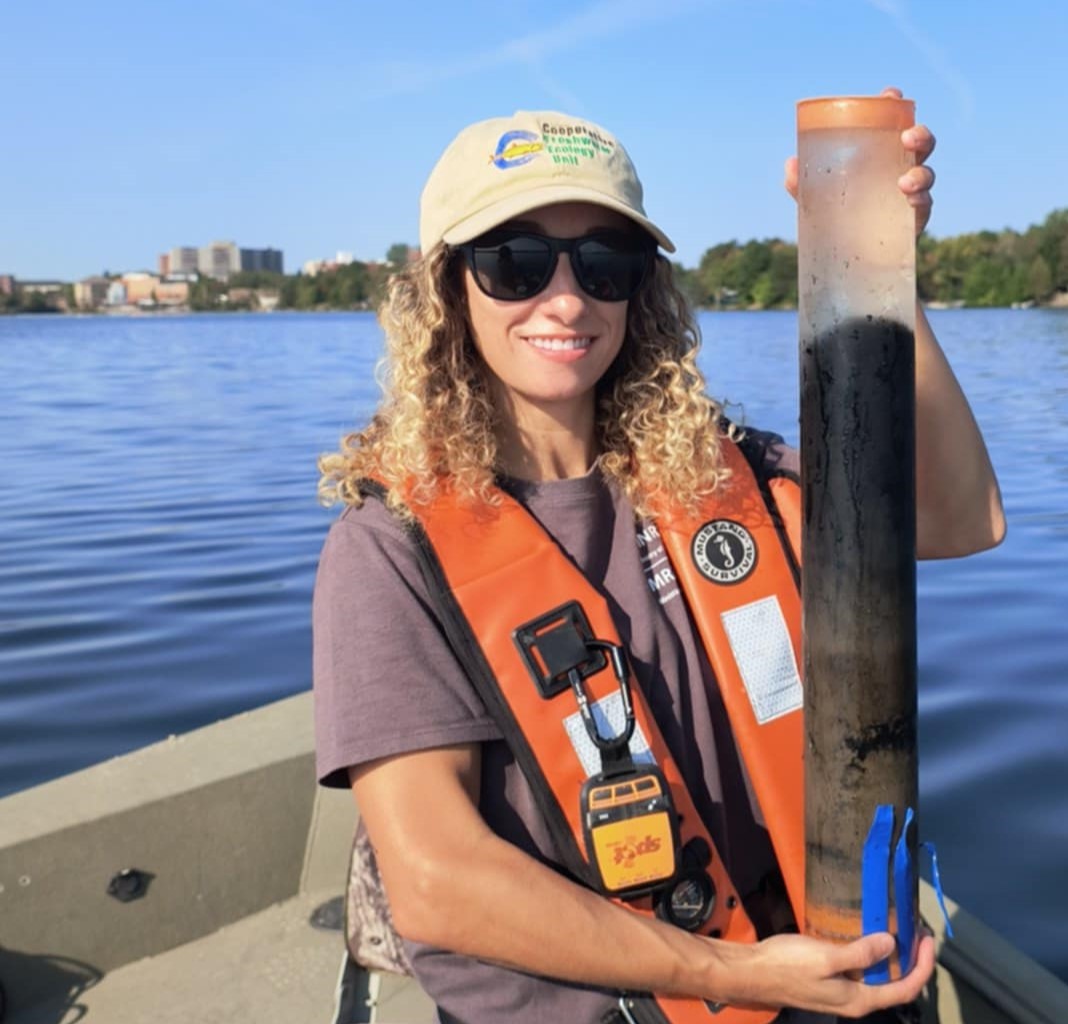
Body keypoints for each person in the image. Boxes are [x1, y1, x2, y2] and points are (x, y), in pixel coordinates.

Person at [312, 88, 1005, 1024]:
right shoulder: (387, 552)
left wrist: (883, 269)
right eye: (514, 263)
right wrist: (739, 976)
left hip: (808, 980)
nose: (566, 298)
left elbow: (961, 519)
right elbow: (437, 880)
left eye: (606, 261)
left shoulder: (728, 477)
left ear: (643, 288)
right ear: (446, 287)